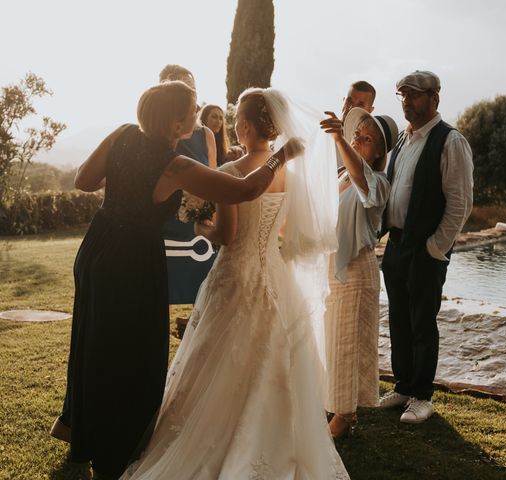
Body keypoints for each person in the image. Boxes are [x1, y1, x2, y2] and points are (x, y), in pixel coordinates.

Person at [49, 80, 304, 479]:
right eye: (192, 108)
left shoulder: (121, 135)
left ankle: (73, 425)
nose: (198, 111)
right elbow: (246, 188)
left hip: (97, 248)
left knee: (92, 336)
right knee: (135, 353)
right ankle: (113, 447)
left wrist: (123, 181)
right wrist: (282, 155)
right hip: (133, 260)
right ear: (175, 121)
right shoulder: (176, 166)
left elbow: (84, 180)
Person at [120, 87, 348, 479]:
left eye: (236, 120)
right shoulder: (288, 174)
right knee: (275, 362)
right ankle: (278, 442)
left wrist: (200, 223)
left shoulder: (232, 172)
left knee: (216, 361)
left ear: (243, 126)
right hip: (275, 276)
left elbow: (226, 235)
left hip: (234, 275)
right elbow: (287, 229)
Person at [379, 70, 473, 424]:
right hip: (397, 244)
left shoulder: (450, 141)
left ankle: (422, 396)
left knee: (422, 322)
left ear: (435, 97)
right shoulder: (402, 140)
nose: (407, 100)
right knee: (399, 319)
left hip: (424, 249)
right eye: (402, 94)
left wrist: (435, 248)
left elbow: (460, 203)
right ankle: (403, 385)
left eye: (414, 95)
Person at [319, 108, 398, 438]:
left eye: (367, 140)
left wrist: (338, 138)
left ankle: (344, 414)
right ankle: (340, 408)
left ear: (379, 150)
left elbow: (362, 181)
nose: (358, 142)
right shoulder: (340, 176)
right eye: (356, 136)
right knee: (333, 339)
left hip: (356, 270)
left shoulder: (378, 182)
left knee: (347, 343)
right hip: (332, 266)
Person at [158, 65, 217, 308]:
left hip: (196, 222)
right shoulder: (152, 134)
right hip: (161, 221)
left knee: (202, 292)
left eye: (192, 90)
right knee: (159, 288)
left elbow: (214, 179)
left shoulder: (205, 135)